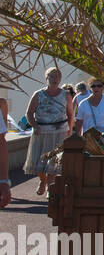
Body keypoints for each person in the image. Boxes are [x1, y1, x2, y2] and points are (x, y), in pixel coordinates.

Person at [25, 66, 74, 197]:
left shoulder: (66, 95)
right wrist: (35, 125)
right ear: (46, 78)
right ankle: (42, 180)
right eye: (52, 76)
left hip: (59, 131)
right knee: (38, 162)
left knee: (54, 161)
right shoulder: (38, 94)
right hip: (41, 131)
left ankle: (50, 187)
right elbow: (29, 113)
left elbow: (70, 114)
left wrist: (69, 130)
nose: (54, 79)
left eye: (57, 77)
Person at [74, 78, 104, 144]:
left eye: (99, 86)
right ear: (90, 88)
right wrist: (77, 140)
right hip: (89, 139)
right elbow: (79, 123)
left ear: (103, 87)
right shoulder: (83, 104)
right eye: (93, 86)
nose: (96, 88)